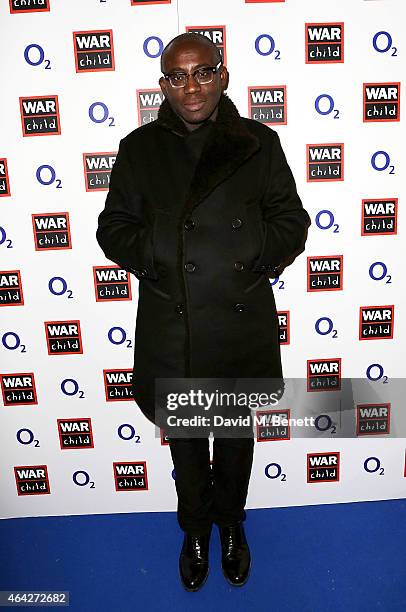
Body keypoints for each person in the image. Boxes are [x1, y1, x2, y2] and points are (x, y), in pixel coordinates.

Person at [96, 32, 311, 591]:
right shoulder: (139, 149)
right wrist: (166, 254)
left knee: (236, 435)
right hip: (175, 319)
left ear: (223, 75)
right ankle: (195, 530)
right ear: (163, 85)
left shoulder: (259, 143)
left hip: (239, 319)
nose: (190, 87)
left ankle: (232, 526)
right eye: (176, 76)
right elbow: (113, 228)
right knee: (187, 441)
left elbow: (292, 220)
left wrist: (244, 255)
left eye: (202, 72)